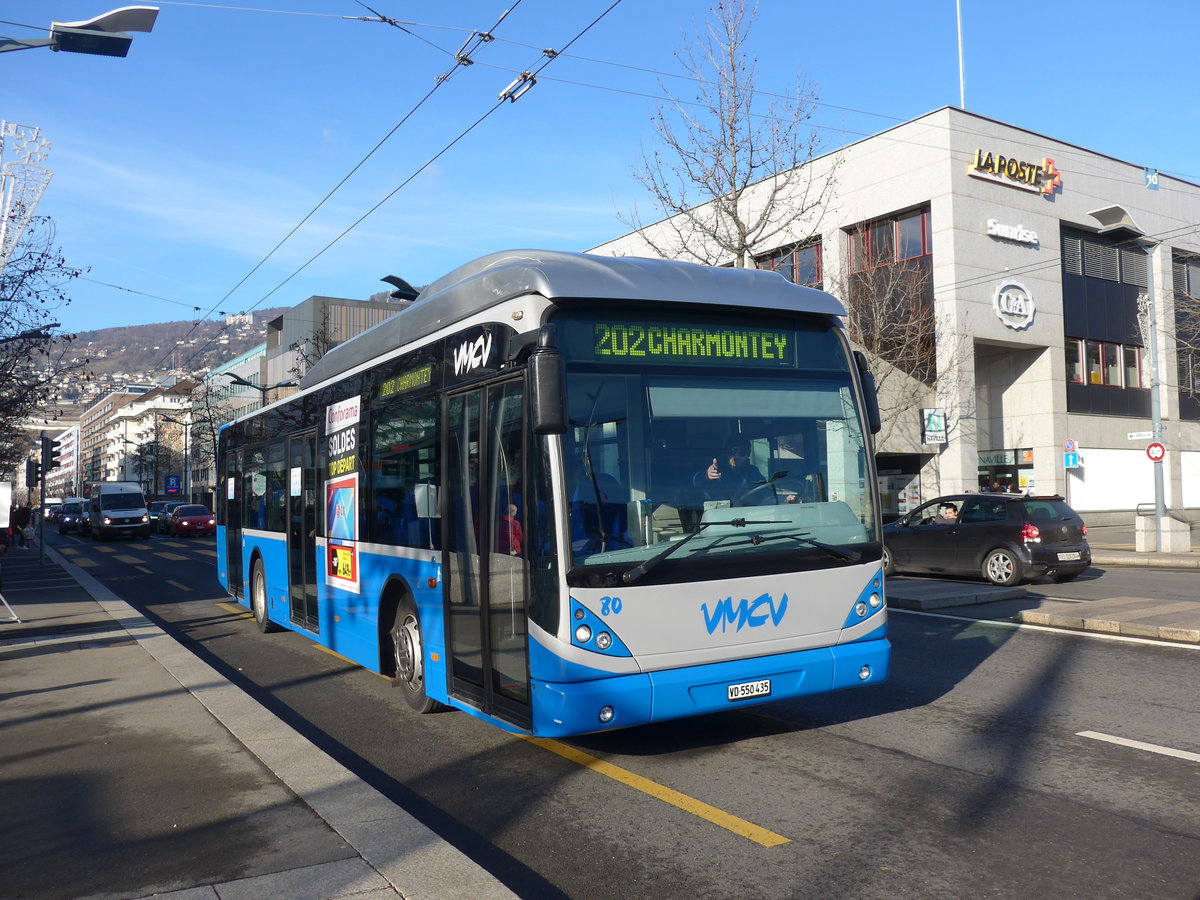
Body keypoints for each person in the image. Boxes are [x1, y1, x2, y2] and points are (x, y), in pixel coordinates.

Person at [695, 444, 766, 504]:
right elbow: (696, 482)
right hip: (720, 515)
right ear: (726, 453)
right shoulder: (717, 471)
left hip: (750, 514)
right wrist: (706, 475)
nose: (736, 457)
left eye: (742, 453)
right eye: (732, 452)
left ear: (747, 456)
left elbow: (765, 491)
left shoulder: (752, 471)